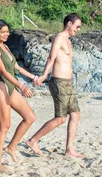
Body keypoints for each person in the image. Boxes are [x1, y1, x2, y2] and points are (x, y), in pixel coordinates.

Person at [26, 13, 85, 158]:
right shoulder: (59, 38)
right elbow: (51, 58)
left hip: (68, 83)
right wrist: (44, 76)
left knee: (75, 115)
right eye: (77, 26)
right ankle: (33, 140)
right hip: (59, 82)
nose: (78, 29)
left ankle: (69, 149)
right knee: (60, 118)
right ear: (69, 24)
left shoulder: (68, 40)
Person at [0, 19, 37, 172]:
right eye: (3, 32)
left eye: (7, 31)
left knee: (30, 117)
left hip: (11, 87)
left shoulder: (5, 46)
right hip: (1, 86)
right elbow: (3, 71)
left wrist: (33, 78)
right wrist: (21, 86)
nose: (6, 34)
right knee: (4, 126)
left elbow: (16, 67)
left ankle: (11, 147)